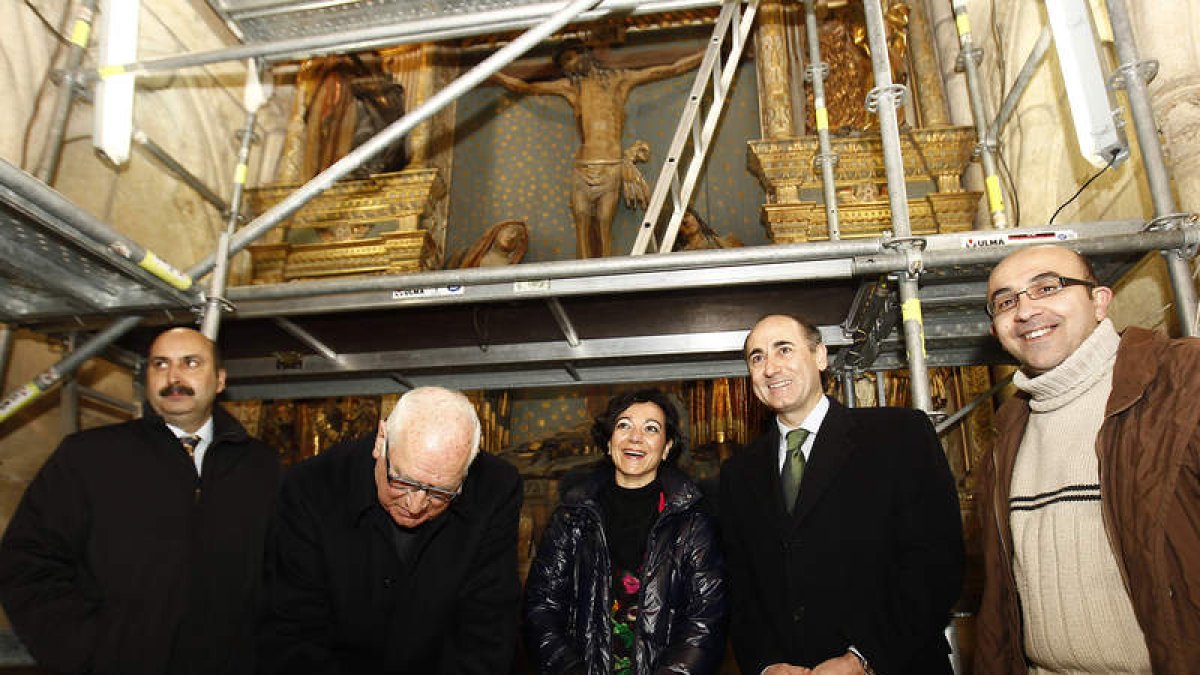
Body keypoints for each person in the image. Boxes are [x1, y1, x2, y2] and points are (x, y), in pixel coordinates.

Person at [973, 244, 1200, 674]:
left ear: (1099, 301)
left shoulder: (1184, 379)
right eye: (1006, 301)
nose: (1025, 310)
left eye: (1047, 287)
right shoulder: (1009, 431)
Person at [0, 327, 280, 675]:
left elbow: (283, 573)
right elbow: (26, 561)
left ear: (220, 380)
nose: (173, 376)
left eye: (191, 363)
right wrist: (82, 650)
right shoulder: (89, 456)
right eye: (160, 364)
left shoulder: (262, 466)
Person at [720, 314, 963, 675]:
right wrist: (766, 664)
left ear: (820, 356)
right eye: (757, 358)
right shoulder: (738, 472)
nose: (771, 367)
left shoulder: (899, 435)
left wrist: (863, 659)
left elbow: (937, 563)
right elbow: (739, 585)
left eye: (784, 349)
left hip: (896, 663)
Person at [257, 386, 523, 674]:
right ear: (381, 440)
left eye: (441, 492)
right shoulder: (311, 487)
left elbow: (488, 629)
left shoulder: (496, 489)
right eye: (402, 482)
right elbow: (292, 631)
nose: (416, 504)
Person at [524, 389, 727, 674]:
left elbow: (705, 621)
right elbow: (541, 608)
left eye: (651, 429)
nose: (635, 437)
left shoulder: (693, 522)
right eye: (624, 425)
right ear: (609, 442)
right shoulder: (572, 517)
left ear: (667, 447)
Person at [491, 42, 702, 259]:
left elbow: (671, 68)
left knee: (604, 225)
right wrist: (490, 71)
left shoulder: (620, 79)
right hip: (583, 165)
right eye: (565, 63)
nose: (570, 65)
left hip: (610, 165)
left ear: (585, 54)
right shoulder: (572, 88)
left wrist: (707, 53)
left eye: (571, 57)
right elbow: (523, 87)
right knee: (582, 225)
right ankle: (582, 279)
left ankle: (605, 280)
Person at [459, 219, 529, 268]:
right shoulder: (464, 254)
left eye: (518, 236)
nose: (512, 236)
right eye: (510, 231)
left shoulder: (511, 267)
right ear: (497, 231)